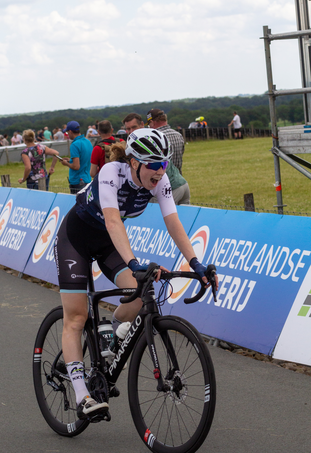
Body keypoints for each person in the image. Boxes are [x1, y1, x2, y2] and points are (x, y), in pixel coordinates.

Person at [54, 127, 218, 419]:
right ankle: (82, 395)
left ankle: (113, 335)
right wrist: (134, 263)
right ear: (133, 162)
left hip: (107, 244)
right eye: (154, 165)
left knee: (140, 295)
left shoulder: (159, 180)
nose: (160, 171)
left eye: (164, 164)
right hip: (75, 240)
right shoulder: (110, 173)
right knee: (77, 316)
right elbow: (114, 221)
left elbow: (173, 222)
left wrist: (196, 263)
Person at [146, 109, 190, 204]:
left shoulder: (153, 138)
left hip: (164, 187)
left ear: (152, 122)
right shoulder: (178, 135)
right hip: (180, 181)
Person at [60, 121, 93, 194]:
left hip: (78, 182)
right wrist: (70, 160)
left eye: (67, 132)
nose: (67, 134)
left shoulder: (74, 144)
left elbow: (76, 166)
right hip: (87, 179)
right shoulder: (87, 142)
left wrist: (66, 163)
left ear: (70, 131)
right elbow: (84, 158)